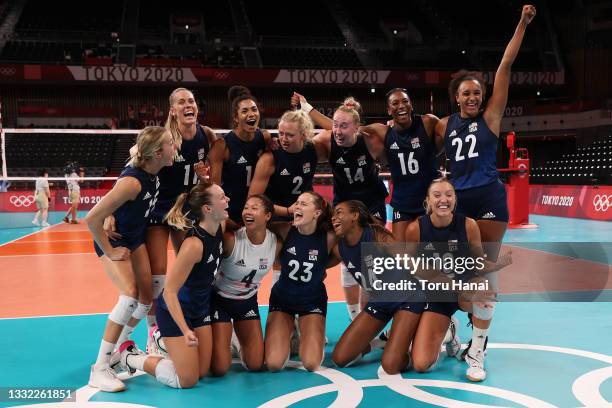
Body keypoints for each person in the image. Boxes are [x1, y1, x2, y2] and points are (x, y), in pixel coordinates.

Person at [108, 88, 219, 351]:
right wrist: (111, 209)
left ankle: (193, 317)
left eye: (191, 101)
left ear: (196, 107)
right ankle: (154, 334)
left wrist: (205, 181)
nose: (187, 105)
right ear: (172, 110)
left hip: (186, 212)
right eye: (181, 102)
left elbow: (210, 177)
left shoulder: (208, 136)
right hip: (158, 211)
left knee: (193, 268)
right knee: (158, 277)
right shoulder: (165, 138)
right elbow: (131, 166)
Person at [434, 5, 536, 261]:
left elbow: (506, 64)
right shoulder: (443, 125)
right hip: (458, 198)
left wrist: (522, 22)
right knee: (457, 264)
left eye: (477, 92)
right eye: (466, 93)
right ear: (456, 97)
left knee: (485, 264)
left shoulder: (491, 117)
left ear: (483, 96)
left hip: (489, 195)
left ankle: (484, 300)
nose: (472, 97)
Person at [85, 126, 175, 392]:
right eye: (171, 144)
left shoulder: (149, 166)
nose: (175, 147)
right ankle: (99, 369)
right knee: (130, 295)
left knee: (147, 298)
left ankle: (117, 350)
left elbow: (136, 149)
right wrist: (110, 251)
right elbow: (92, 219)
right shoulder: (133, 182)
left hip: (135, 238)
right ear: (158, 153)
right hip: (115, 241)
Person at [116, 182, 229, 389]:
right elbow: (169, 293)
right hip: (176, 312)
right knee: (186, 380)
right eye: (222, 197)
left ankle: (168, 346)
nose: (227, 200)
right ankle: (129, 357)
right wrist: (185, 330)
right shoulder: (194, 245)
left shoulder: (219, 227)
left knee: (202, 372)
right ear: (208, 209)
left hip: (200, 309)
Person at [406, 178, 511, 382]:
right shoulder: (416, 229)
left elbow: (478, 262)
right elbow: (413, 267)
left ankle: (476, 353)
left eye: (448, 194)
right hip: (437, 297)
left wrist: (498, 265)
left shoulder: (469, 225)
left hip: (464, 290)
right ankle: (451, 329)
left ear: (455, 199)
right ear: (427, 200)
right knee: (420, 364)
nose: (443, 199)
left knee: (486, 288)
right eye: (437, 195)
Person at [312, 105, 389, 321]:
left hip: (371, 202)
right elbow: (303, 147)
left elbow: (391, 142)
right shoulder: (326, 142)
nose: (337, 130)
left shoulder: (371, 141)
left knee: (370, 259)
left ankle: (366, 316)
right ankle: (355, 318)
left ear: (357, 127)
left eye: (344, 125)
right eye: (335, 125)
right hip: (344, 204)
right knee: (347, 258)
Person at [331, 200, 425, 374]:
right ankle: (384, 339)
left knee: (391, 366)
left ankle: (421, 333)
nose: (334, 217)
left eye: (339, 212)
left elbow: (411, 263)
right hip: (380, 302)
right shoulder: (339, 247)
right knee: (340, 358)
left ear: (355, 216)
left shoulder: (376, 235)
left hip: (408, 299)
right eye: (333, 214)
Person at [264, 191, 338, 372]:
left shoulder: (329, 237)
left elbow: (339, 258)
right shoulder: (284, 229)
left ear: (317, 213)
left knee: (312, 364)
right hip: (283, 300)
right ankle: (290, 331)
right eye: (297, 202)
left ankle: (300, 329)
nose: (297, 206)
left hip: (312, 302)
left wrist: (321, 268)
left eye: (303, 204)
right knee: (274, 364)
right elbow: (261, 218)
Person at [210, 194, 282, 376]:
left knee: (255, 364)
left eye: (254, 208)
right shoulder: (231, 240)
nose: (248, 212)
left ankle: (234, 339)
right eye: (246, 208)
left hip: (247, 302)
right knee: (220, 368)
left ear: (267, 216)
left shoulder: (276, 242)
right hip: (220, 301)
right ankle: (226, 336)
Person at [360, 88, 442, 242]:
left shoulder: (428, 122)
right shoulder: (383, 132)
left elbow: (447, 134)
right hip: (403, 203)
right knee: (400, 255)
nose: (401, 106)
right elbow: (345, 129)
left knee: (430, 251)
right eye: (395, 103)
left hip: (429, 201)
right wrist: (307, 108)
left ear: (411, 105)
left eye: (405, 101)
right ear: (389, 110)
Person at [208, 86, 272, 229]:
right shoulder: (222, 146)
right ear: (236, 118)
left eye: (254, 109)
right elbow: (214, 189)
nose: (251, 114)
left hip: (257, 212)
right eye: (245, 111)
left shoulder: (265, 137)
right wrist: (224, 219)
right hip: (231, 213)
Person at [248, 109, 324, 220]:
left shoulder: (315, 149)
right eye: (281, 133)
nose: (283, 139)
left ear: (303, 135)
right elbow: (253, 200)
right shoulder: (269, 158)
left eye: (290, 135)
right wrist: (287, 211)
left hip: (305, 213)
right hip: (276, 215)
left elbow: (336, 132)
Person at [291, 92, 362, 130]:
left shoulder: (363, 132)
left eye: (352, 111)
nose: (348, 113)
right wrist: (297, 107)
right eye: (346, 110)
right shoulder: (327, 135)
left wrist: (306, 107)